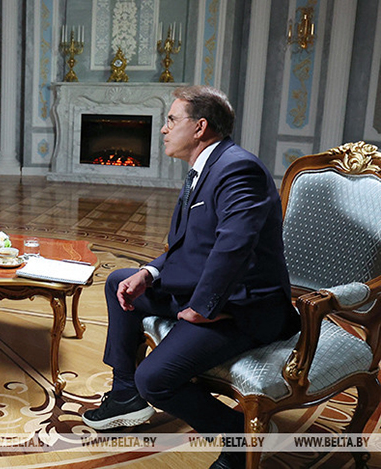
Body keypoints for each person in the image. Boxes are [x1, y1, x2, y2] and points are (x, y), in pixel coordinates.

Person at [81, 86, 299, 469]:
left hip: (241, 307)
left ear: (200, 127)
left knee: (155, 379)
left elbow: (234, 246)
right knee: (120, 281)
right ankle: (125, 394)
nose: (163, 129)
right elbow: (188, 244)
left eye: (171, 120)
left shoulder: (238, 169)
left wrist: (202, 307)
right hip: (202, 287)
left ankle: (240, 437)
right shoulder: (205, 167)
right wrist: (149, 273)